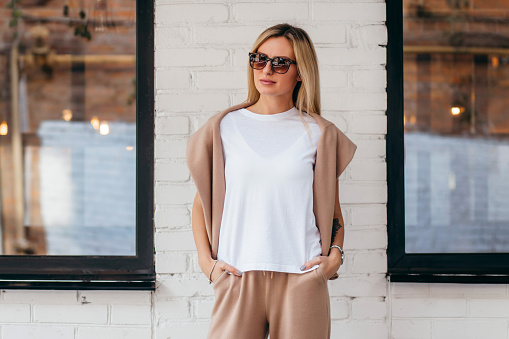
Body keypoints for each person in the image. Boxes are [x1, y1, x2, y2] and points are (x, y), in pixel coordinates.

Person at [186, 23, 357, 339]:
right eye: (258, 58)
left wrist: (335, 256)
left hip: (302, 278)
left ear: (300, 72)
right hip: (237, 276)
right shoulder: (223, 128)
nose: (267, 69)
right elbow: (201, 202)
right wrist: (206, 262)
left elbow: (333, 211)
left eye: (280, 62)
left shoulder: (320, 134)